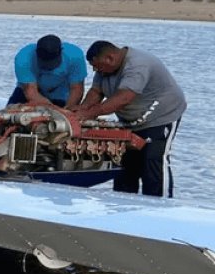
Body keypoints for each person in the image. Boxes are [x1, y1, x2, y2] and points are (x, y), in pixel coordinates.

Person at [73, 40, 186, 198]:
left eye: (97, 66)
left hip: (162, 115)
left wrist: (90, 114)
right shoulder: (104, 69)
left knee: (153, 160)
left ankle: (161, 208)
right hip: (130, 122)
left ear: (110, 58)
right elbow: (96, 92)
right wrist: (81, 111)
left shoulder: (138, 65)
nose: (95, 70)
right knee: (124, 164)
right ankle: (122, 206)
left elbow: (124, 98)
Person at [7, 34, 87, 108]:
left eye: (52, 62)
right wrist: (52, 109)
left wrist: (67, 111)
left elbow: (76, 89)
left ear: (61, 52)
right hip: (30, 91)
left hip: (60, 94)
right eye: (44, 62)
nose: (48, 67)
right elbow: (30, 91)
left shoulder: (75, 56)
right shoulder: (23, 58)